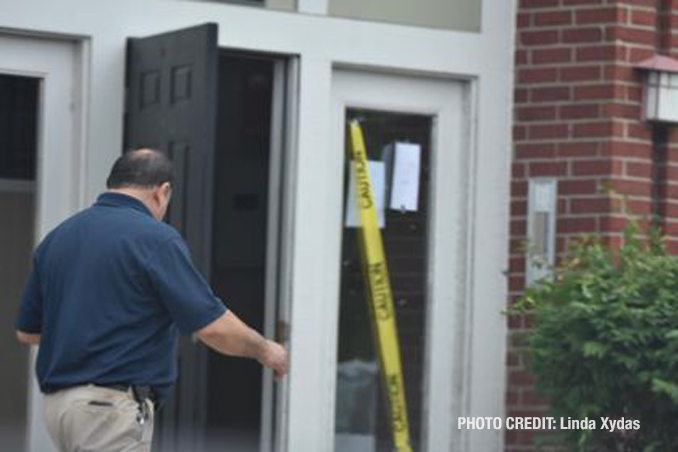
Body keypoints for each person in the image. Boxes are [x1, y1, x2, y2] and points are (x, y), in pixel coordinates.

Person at [14, 148, 287, 452]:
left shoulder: (57, 238)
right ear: (163, 191)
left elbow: (27, 332)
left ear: (112, 184)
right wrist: (266, 350)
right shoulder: (155, 238)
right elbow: (213, 328)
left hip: (59, 408)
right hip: (108, 410)